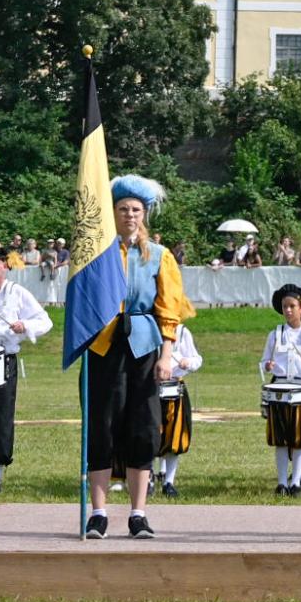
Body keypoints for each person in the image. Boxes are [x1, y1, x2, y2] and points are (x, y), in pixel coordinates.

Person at [84, 175, 191, 540]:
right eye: (123, 209)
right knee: (102, 426)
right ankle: (98, 513)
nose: (129, 215)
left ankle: (138, 514)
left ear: (144, 214)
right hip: (103, 346)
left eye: (135, 209)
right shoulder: (97, 253)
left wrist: (166, 355)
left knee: (143, 427)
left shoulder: (159, 256)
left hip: (144, 346)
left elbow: (168, 309)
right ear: (113, 212)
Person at [0, 248, 53, 492]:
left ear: (5, 267)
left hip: (3, 361)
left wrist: (24, 325)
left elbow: (45, 321)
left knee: (1, 416)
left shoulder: (17, 293)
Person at [260, 284, 301, 497]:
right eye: (285, 306)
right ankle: (281, 483)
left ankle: (296, 482)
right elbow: (264, 361)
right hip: (279, 388)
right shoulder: (275, 334)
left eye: (292, 306)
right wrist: (267, 365)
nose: (288, 310)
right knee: (280, 439)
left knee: (299, 439)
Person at [156, 322, 202, 498]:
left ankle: (169, 481)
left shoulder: (182, 332)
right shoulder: (151, 326)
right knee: (151, 435)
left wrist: (187, 362)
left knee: (174, 436)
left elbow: (197, 359)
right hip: (152, 387)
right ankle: (149, 478)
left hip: (175, 389)